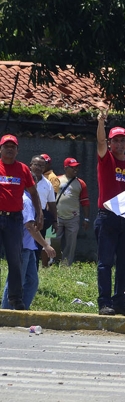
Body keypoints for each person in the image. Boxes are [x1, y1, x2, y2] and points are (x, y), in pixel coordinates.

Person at [95, 113, 125, 316]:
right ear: (110, 143)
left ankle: (119, 301)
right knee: (105, 263)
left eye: (123, 141)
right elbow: (99, 142)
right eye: (115, 141)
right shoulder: (106, 159)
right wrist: (101, 122)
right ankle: (104, 303)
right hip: (107, 217)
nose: (119, 144)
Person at [0, 133, 44, 311]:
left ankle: (15, 298)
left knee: (15, 260)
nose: (10, 149)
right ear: (1, 149)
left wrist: (39, 213)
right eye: (6, 146)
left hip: (14, 219)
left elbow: (33, 193)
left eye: (13, 147)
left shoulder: (23, 169)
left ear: (17, 150)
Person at [1, 191, 55, 309]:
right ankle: (6, 312)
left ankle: (21, 311)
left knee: (32, 282)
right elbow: (30, 226)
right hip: (22, 247)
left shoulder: (30, 199)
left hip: (29, 247)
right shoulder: (26, 200)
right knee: (15, 282)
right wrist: (46, 245)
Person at [56, 157, 90, 266]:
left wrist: (86, 218)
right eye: (73, 167)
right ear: (66, 168)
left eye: (77, 167)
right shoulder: (56, 179)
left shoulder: (81, 183)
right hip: (55, 217)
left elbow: (85, 202)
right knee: (51, 239)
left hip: (73, 217)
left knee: (71, 243)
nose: (76, 169)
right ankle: (51, 262)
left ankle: (66, 265)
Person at [29, 155, 57, 266]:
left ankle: (33, 270)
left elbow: (52, 204)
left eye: (42, 166)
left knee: (37, 247)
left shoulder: (48, 184)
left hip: (40, 218)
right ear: (30, 165)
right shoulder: (24, 179)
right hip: (24, 216)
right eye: (37, 165)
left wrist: (55, 221)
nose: (39, 168)